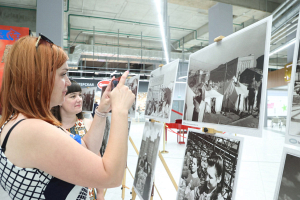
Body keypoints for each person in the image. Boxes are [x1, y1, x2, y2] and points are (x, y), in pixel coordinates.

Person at [0, 35, 135, 199]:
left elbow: (85, 148)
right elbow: (111, 176)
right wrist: (120, 111)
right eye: (62, 74)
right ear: (39, 78)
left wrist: (103, 110)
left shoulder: (24, 121)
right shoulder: (34, 130)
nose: (68, 82)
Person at [51, 80, 105, 200]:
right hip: (61, 190)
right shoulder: (52, 128)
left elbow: (97, 158)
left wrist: (100, 193)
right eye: (72, 96)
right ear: (60, 100)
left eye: (80, 95)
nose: (79, 99)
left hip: (87, 190)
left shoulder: (88, 124)